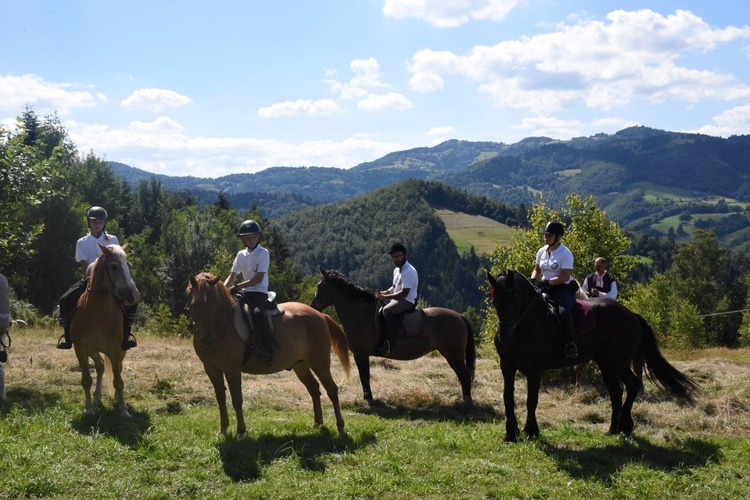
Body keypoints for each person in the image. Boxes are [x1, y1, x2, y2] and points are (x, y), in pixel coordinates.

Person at [57, 206, 138, 350]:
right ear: (89, 222)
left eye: (100, 221)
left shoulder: (113, 239)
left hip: (111, 280)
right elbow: (84, 265)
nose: (97, 224)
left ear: (104, 223)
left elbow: (118, 261)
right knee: (65, 299)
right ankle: (67, 337)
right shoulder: (82, 242)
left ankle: (126, 335)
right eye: (94, 221)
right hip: (91, 279)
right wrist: (90, 280)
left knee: (133, 297)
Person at [224, 220, 273, 363]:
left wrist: (237, 287)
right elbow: (232, 275)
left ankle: (268, 348)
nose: (251, 241)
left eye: (254, 237)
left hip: (259, 291)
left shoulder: (263, 253)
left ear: (258, 237)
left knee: (258, 314)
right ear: (243, 239)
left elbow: (258, 278)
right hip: (245, 291)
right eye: (247, 238)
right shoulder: (240, 255)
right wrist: (223, 289)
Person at [530, 221, 578, 358]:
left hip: (563, 289)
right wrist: (533, 279)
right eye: (545, 235)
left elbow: (565, 276)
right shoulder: (541, 251)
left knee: (563, 312)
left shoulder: (565, 253)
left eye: (549, 235)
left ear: (558, 237)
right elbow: (537, 269)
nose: (546, 238)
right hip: (546, 287)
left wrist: (549, 282)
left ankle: (571, 343)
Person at [375, 243, 418, 354]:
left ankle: (390, 343)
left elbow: (404, 293)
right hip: (398, 298)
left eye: (399, 256)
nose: (396, 259)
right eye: (394, 256)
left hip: (407, 300)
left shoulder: (409, 271)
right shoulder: (397, 270)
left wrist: (385, 297)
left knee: (386, 310)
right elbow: (394, 287)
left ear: (404, 255)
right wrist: (383, 293)